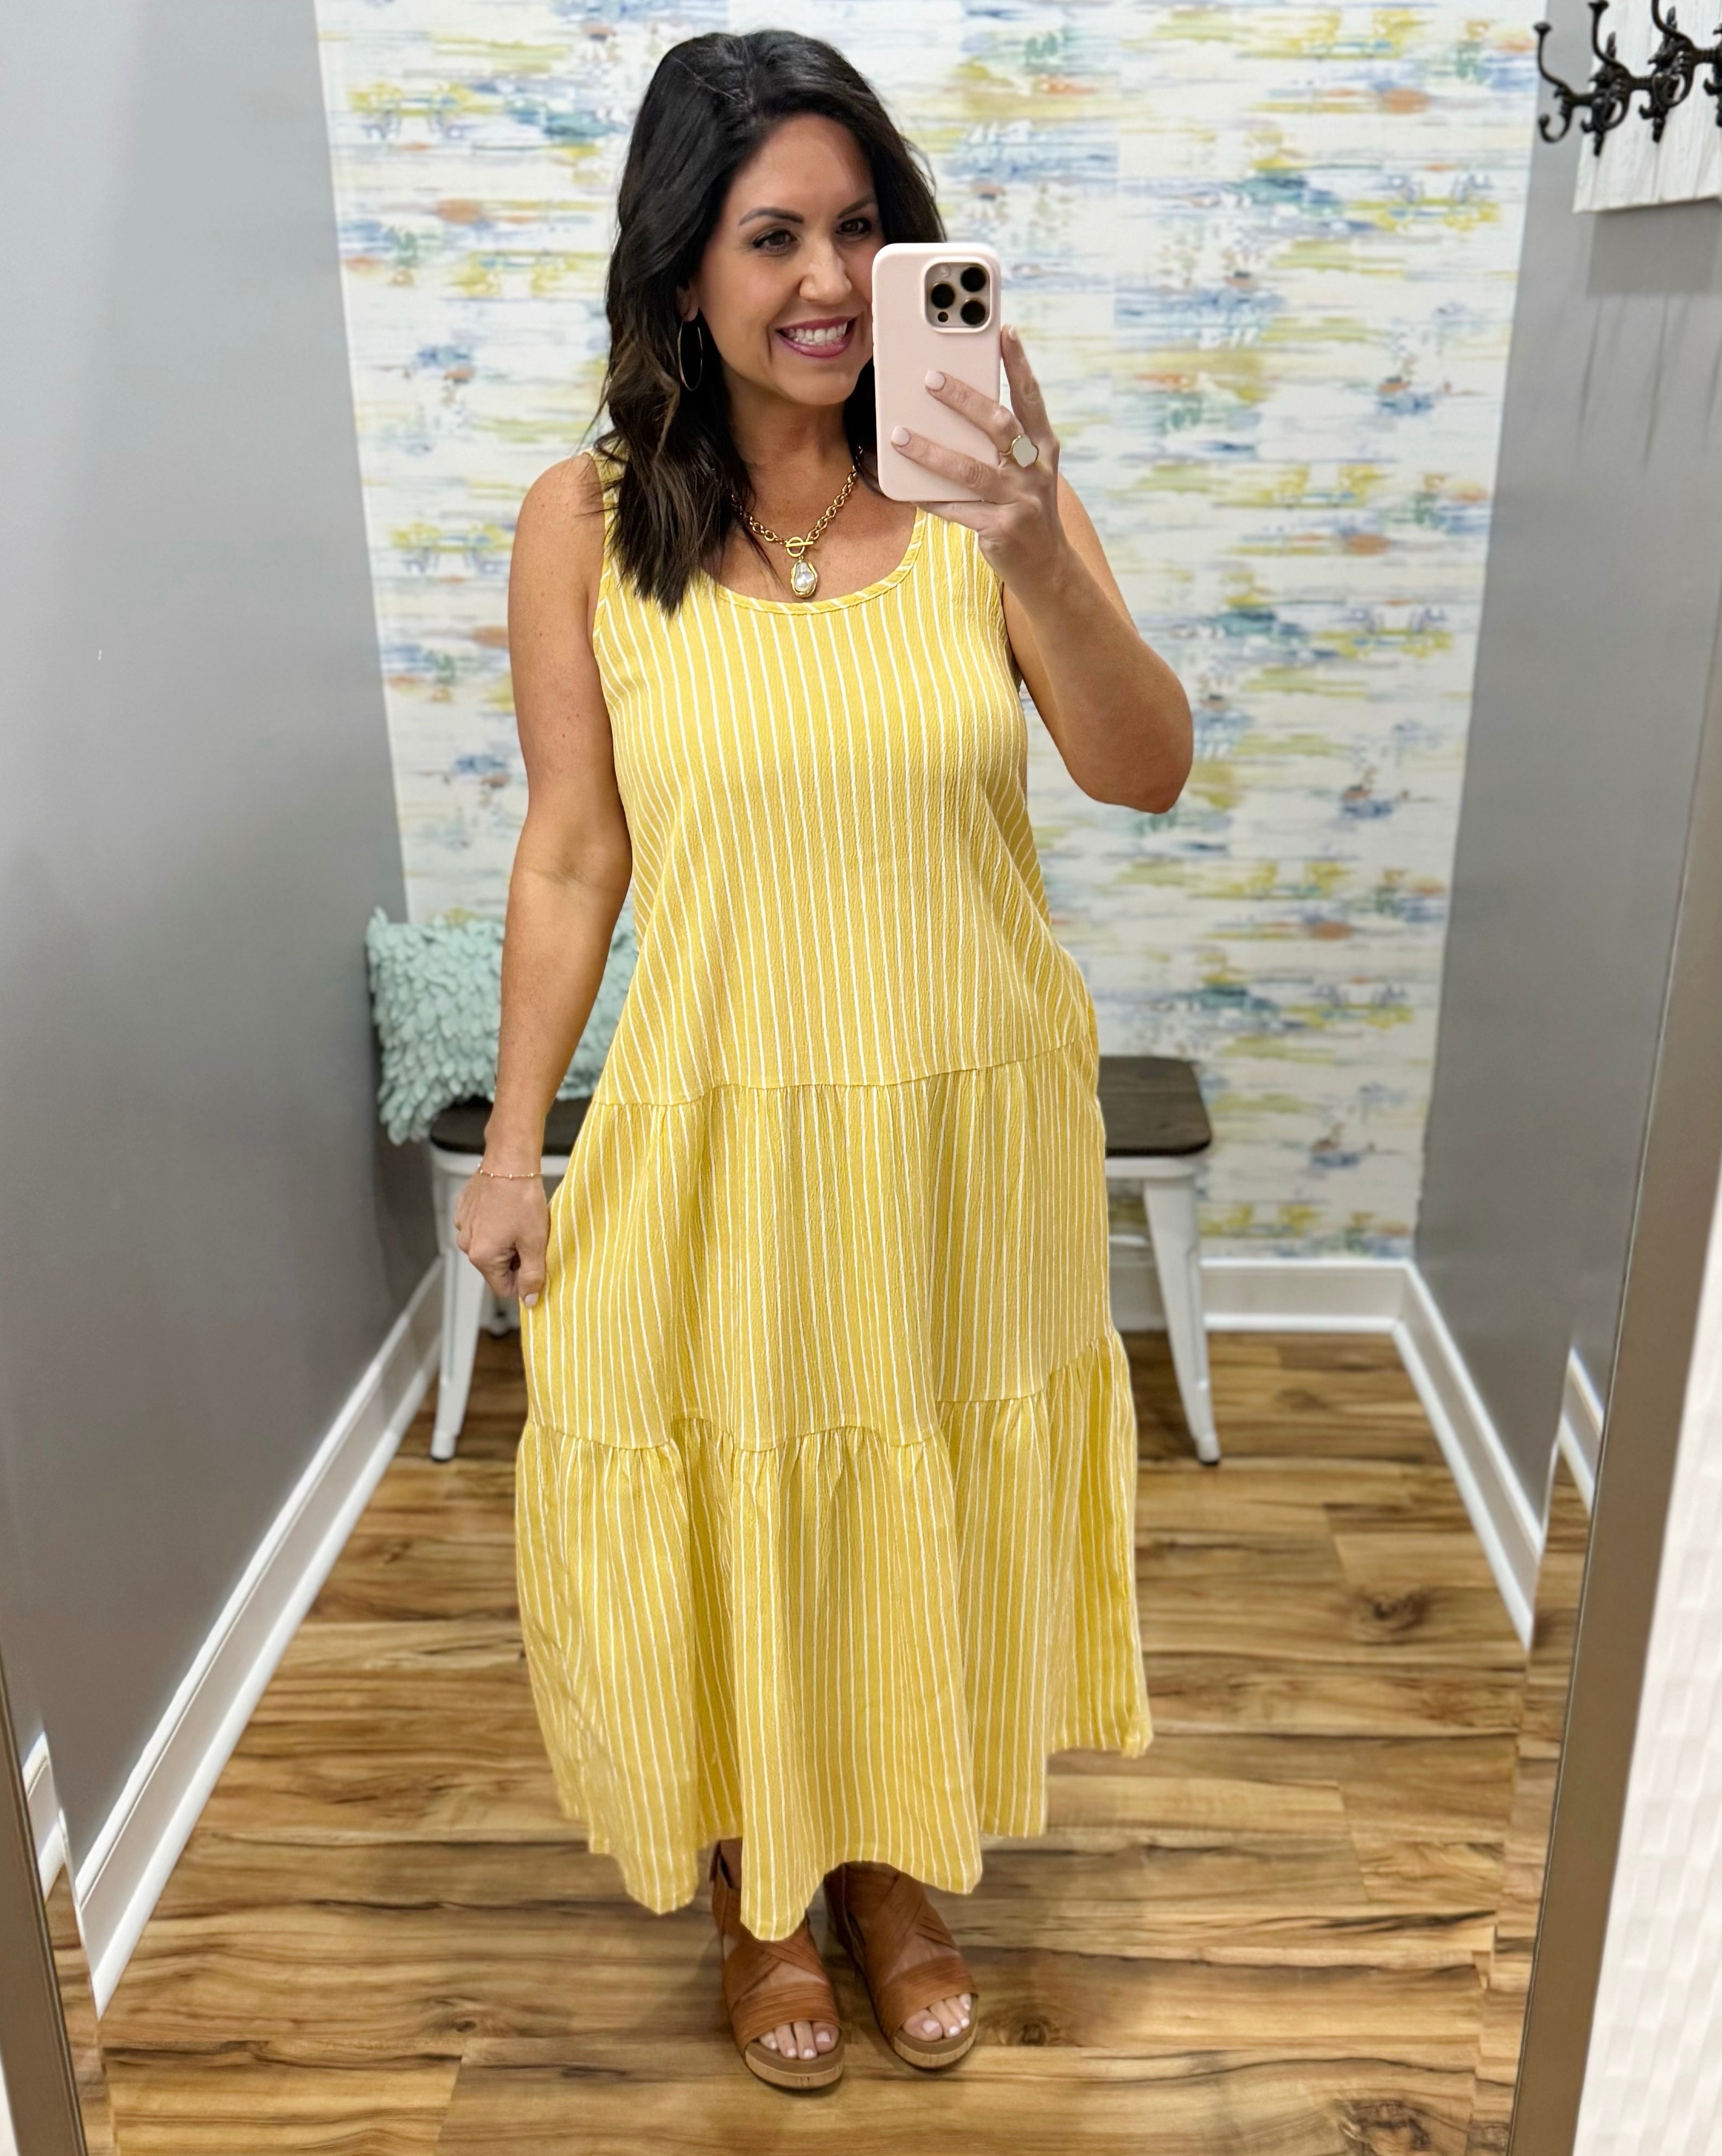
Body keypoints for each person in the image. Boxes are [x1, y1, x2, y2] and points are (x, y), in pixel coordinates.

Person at [456, 25, 1192, 2093]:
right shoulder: (581, 528)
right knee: (743, 1491)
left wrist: (1037, 534)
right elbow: (572, 853)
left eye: (865, 229)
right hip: (720, 1115)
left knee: (910, 1490)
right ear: (680, 262)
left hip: (970, 1113)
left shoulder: (985, 505)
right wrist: (514, 1151)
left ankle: (882, 1864)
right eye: (771, 231)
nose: (825, 279)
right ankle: (759, 1891)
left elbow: (1144, 773)